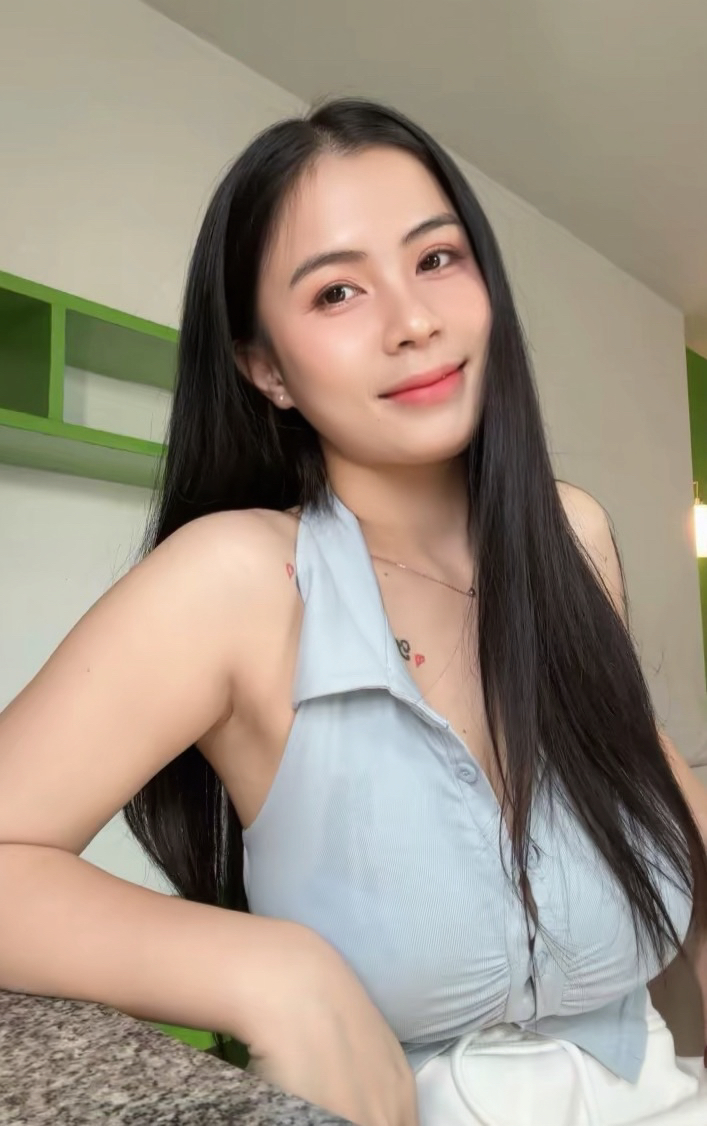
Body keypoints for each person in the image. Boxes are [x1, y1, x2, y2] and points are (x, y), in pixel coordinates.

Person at [0, 97, 706, 1126]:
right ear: (266, 368)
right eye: (336, 291)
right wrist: (267, 968)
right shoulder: (239, 580)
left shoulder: (572, 535)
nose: (412, 320)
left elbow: (646, 781)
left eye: (436, 259)